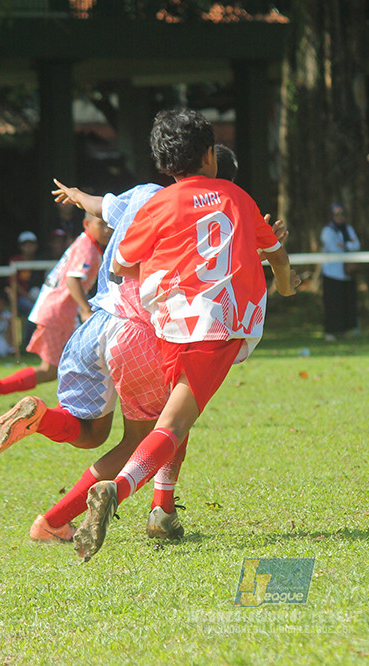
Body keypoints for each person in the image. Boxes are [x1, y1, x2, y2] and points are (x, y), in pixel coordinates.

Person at [0, 143, 287, 545]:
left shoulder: (144, 194)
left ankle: (41, 418)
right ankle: (71, 518)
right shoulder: (202, 208)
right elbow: (212, 265)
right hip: (139, 332)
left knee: (91, 433)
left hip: (95, 325)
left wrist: (76, 194)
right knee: (156, 433)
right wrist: (257, 245)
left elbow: (101, 206)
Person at [72, 108, 295, 561]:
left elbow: (122, 264)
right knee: (172, 424)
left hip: (170, 326)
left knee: (177, 417)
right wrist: (288, 289)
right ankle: (118, 489)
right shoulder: (236, 196)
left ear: (163, 163)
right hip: (219, 326)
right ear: (210, 155)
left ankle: (163, 511)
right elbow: (277, 256)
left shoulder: (158, 204)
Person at [0, 212, 109, 420]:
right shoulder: (88, 249)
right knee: (69, 367)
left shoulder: (85, 244)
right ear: (86, 224)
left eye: (109, 224)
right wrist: (85, 309)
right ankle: (63, 416)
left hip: (56, 312)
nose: (107, 230)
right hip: (58, 313)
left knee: (55, 369)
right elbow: (73, 281)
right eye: (102, 224)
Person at [320, 202, 361, 341]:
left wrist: (345, 245)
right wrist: (348, 245)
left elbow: (356, 245)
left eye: (342, 214)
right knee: (333, 303)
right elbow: (333, 248)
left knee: (348, 303)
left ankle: (347, 330)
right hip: (332, 273)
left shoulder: (348, 229)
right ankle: (331, 332)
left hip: (347, 274)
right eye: (337, 214)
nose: (340, 217)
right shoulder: (327, 231)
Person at [8, 230, 44, 344]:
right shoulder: (15, 261)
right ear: (20, 247)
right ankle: (28, 341)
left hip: (37, 296)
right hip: (20, 298)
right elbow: (14, 283)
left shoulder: (40, 261)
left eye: (31, 244)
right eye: (25, 245)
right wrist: (28, 297)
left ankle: (41, 341)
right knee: (33, 310)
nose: (28, 248)